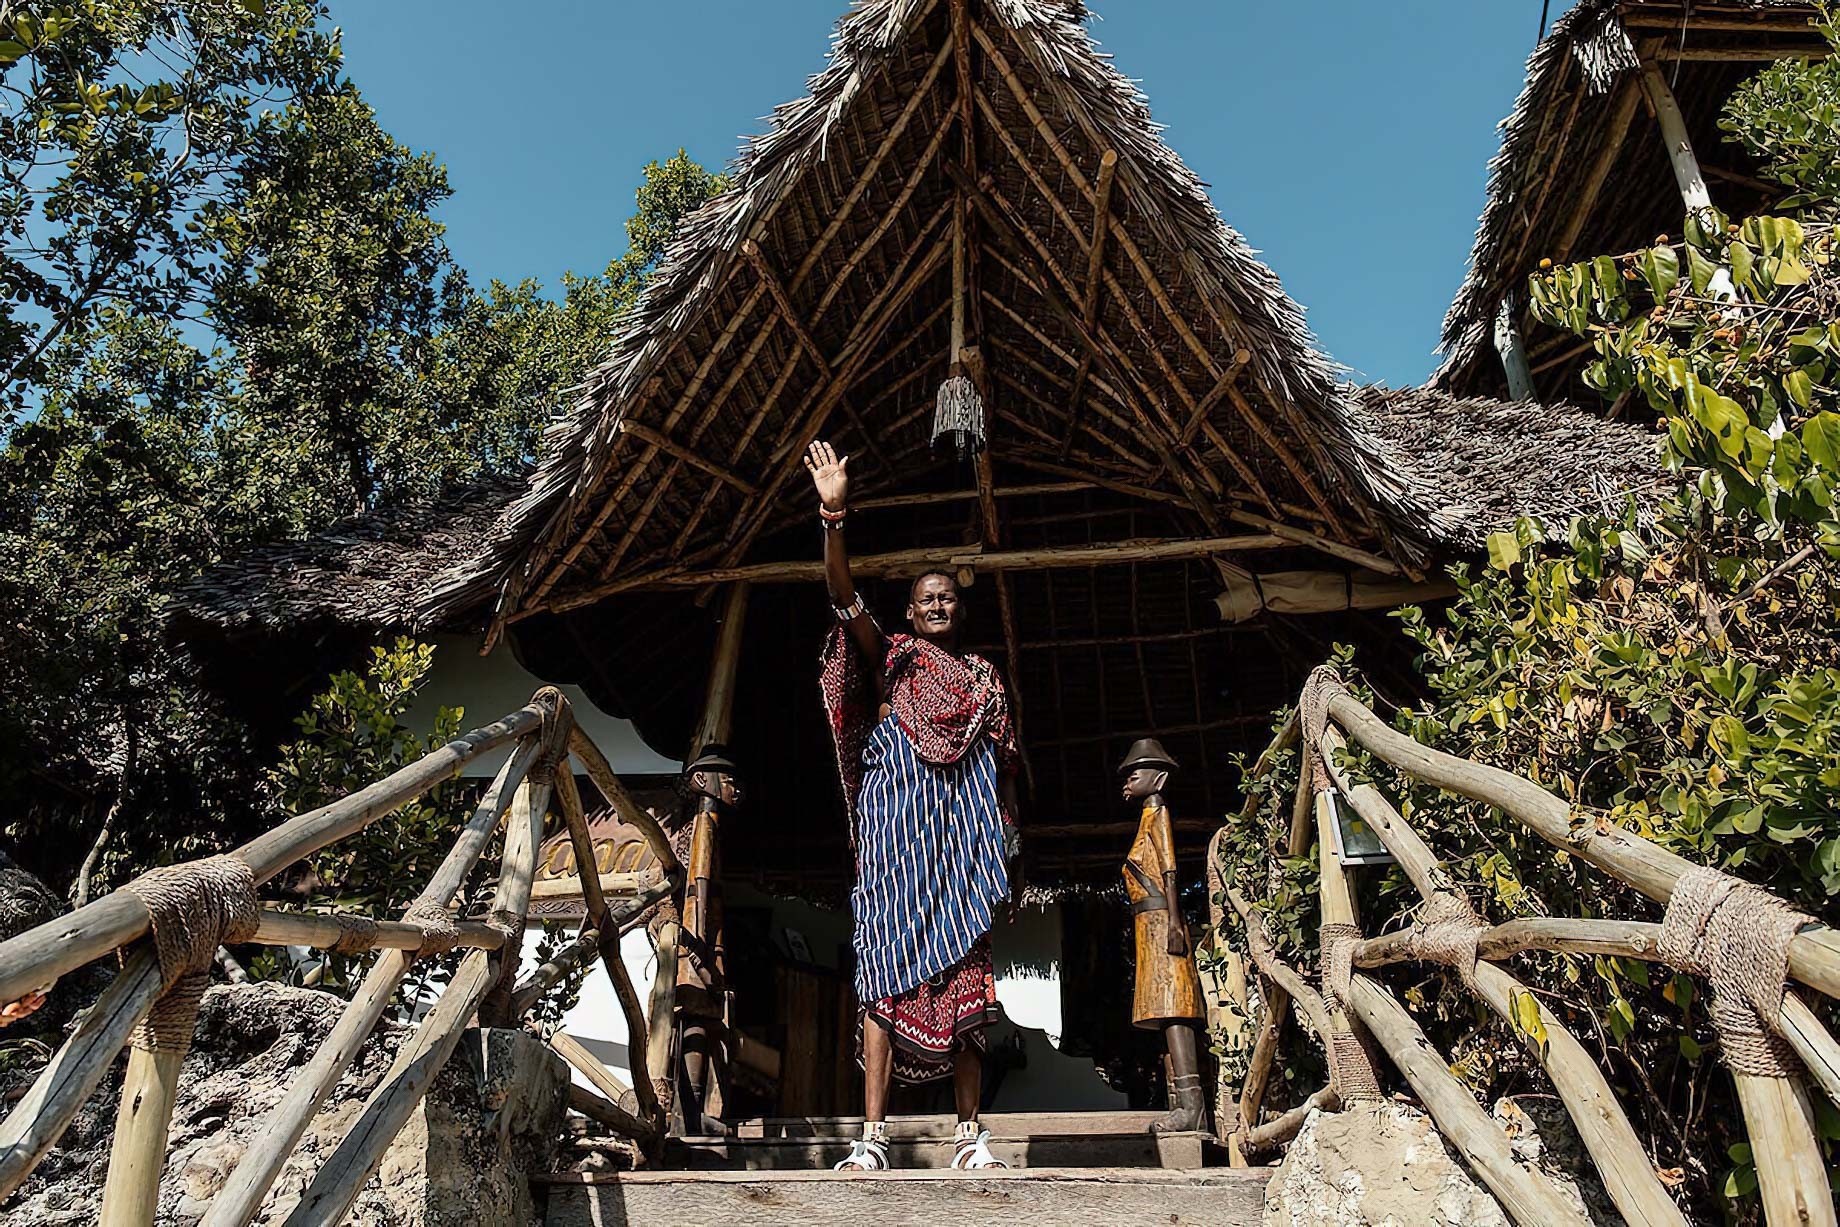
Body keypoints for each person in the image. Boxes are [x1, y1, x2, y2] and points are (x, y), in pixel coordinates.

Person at [805, 439, 1020, 1173]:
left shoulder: (984, 679)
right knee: (880, 978)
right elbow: (841, 596)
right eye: (925, 596)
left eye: (947, 596)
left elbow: (1005, 770)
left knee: (967, 983)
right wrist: (834, 513)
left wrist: (1006, 843)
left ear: (959, 607)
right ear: (908, 609)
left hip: (959, 854)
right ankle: (872, 1138)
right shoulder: (891, 656)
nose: (936, 603)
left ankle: (969, 1134)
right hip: (897, 849)